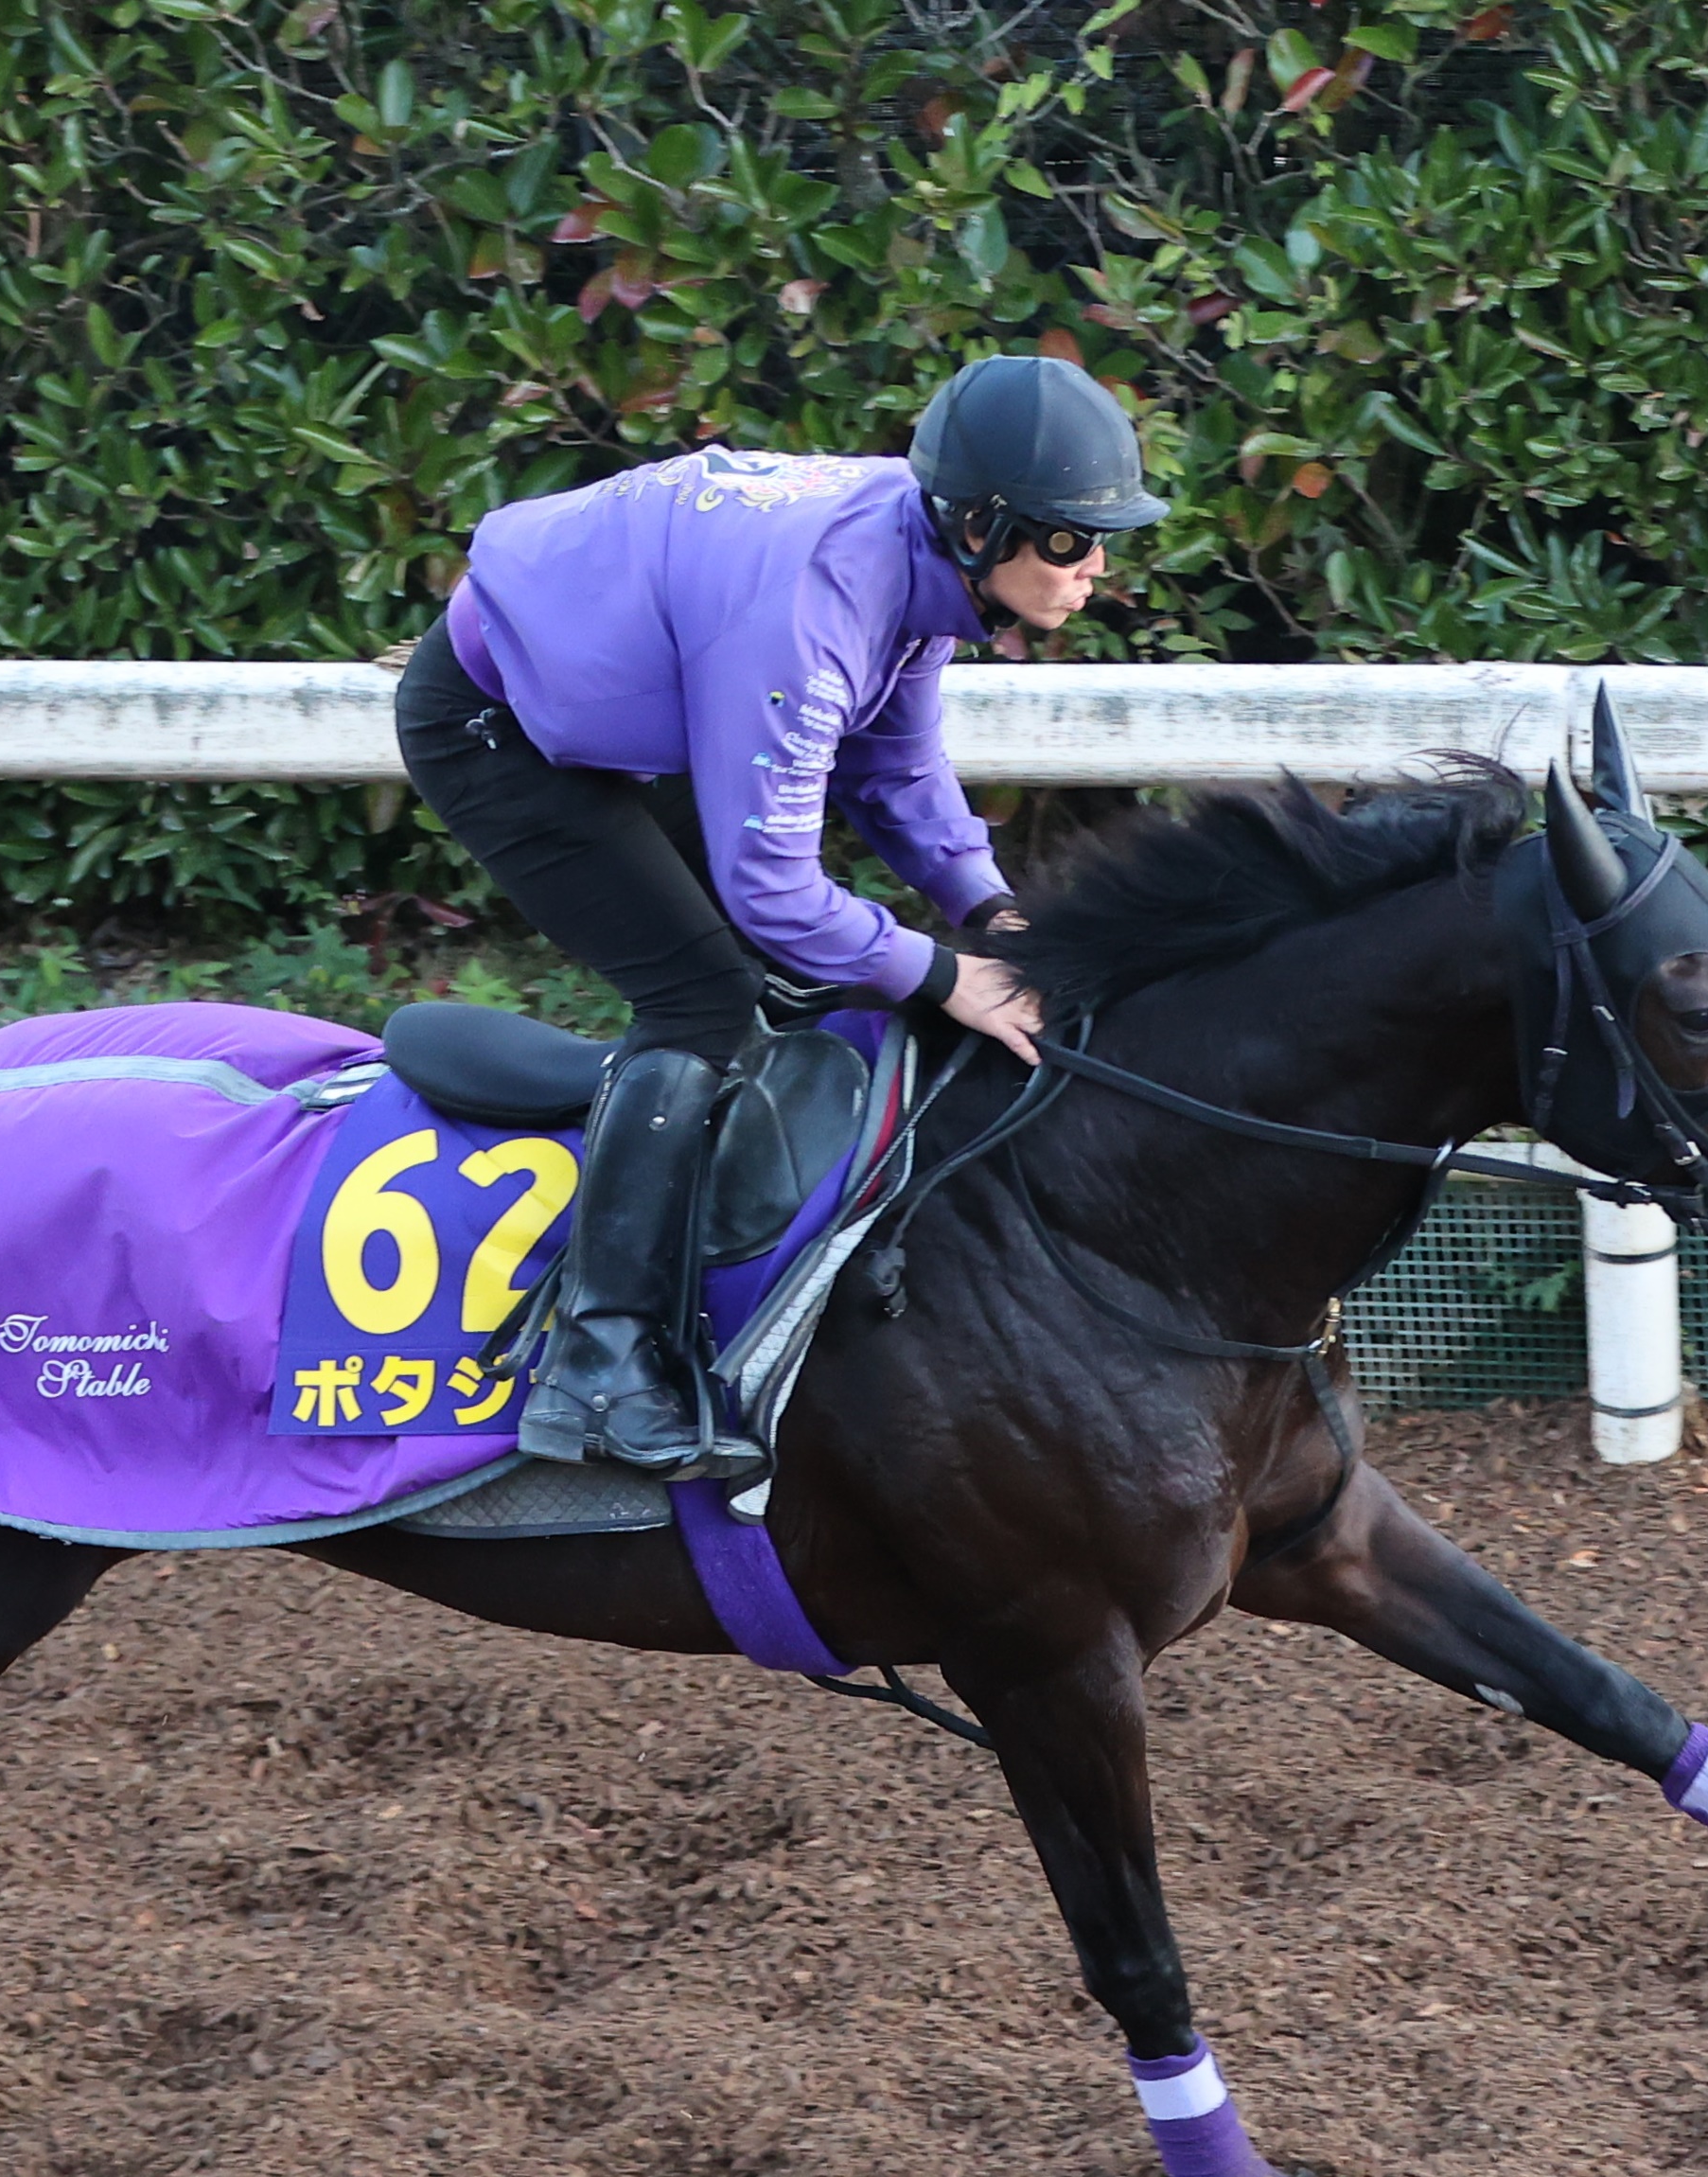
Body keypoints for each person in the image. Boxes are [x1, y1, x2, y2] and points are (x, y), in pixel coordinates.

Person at [395, 352, 1168, 1476]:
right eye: (1067, 538)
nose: (1096, 565)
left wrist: (993, 913)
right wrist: (947, 976)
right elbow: (774, 890)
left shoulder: (919, 562)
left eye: (1106, 538)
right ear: (983, 525)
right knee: (706, 997)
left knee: (786, 984)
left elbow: (897, 770)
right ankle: (596, 1370)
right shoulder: (815, 609)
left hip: (625, 694)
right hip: (495, 726)